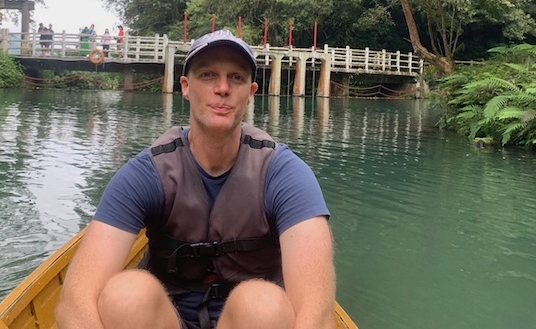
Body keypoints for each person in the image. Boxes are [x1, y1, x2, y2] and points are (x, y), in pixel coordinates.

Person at [56, 30, 336, 329]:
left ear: (251, 93)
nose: (223, 88)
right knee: (126, 295)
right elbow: (75, 302)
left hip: (251, 322)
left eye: (237, 78)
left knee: (261, 304)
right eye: (208, 75)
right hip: (165, 319)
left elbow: (316, 315)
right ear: (186, 87)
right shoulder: (148, 172)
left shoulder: (283, 173)